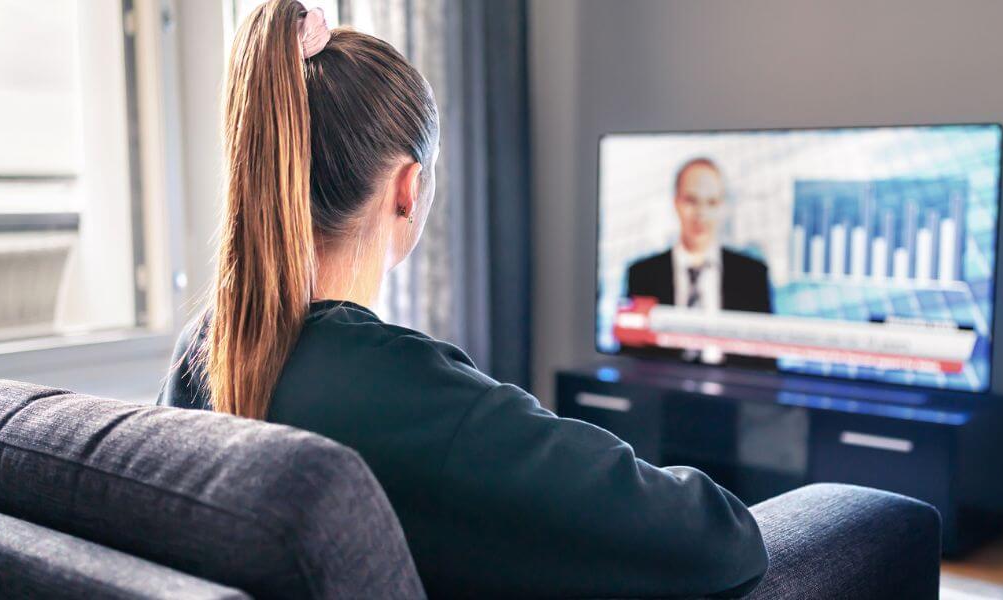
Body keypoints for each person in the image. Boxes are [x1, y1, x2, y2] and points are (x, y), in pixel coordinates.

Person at [158, 2, 766, 598]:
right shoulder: (416, 395)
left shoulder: (203, 350)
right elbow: (723, 543)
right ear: (409, 188)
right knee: (825, 515)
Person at [626, 157, 776, 369]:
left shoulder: (752, 275)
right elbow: (631, 358)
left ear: (723, 207)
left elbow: (767, 361)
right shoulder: (642, 274)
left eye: (711, 202)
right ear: (676, 203)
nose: (701, 214)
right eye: (691, 201)